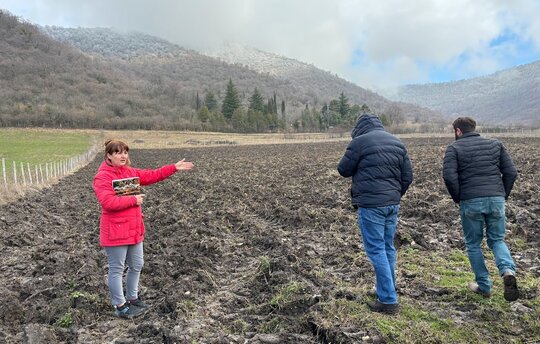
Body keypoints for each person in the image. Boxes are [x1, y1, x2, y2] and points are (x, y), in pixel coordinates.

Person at [93, 139, 194, 318]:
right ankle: (120, 306)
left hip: (134, 230)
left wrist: (173, 168)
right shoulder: (103, 176)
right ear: (109, 155)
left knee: (137, 265)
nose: (123, 156)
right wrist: (133, 200)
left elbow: (151, 175)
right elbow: (107, 202)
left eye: (125, 152)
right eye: (118, 152)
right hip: (116, 231)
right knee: (116, 269)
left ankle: (133, 298)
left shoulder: (129, 173)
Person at [337, 114, 413, 314]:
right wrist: (395, 195)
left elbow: (343, 170)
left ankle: (388, 300)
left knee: (376, 249)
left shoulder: (359, 142)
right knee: (387, 247)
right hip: (392, 204)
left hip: (371, 205)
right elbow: (408, 176)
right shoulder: (397, 142)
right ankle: (386, 289)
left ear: (359, 128)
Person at [443, 117, 519, 301]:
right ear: (474, 128)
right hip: (496, 200)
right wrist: (502, 195)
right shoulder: (495, 144)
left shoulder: (454, 148)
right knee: (497, 239)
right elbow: (511, 172)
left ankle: (484, 286)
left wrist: (459, 198)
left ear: (458, 131)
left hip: (470, 200)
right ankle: (507, 270)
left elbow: (449, 176)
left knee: (473, 244)